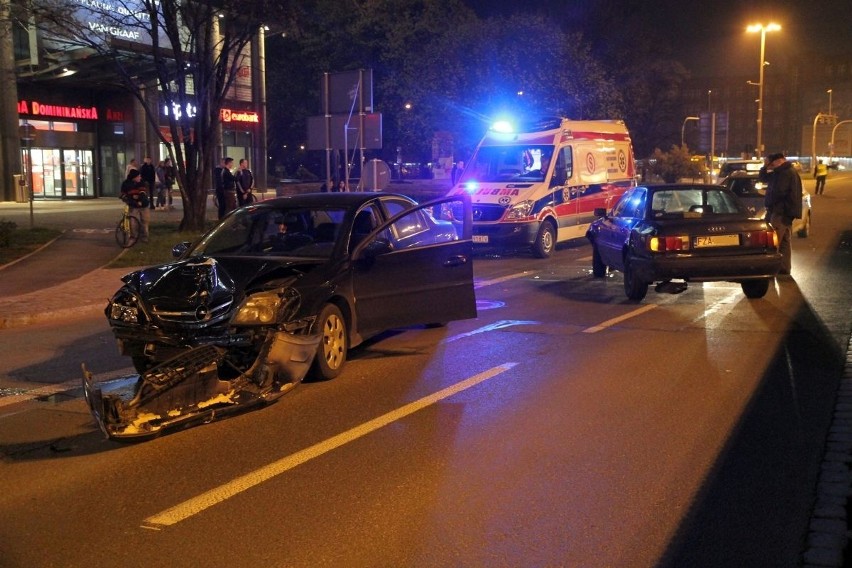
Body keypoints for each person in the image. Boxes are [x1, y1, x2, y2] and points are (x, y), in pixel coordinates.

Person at [759, 151, 803, 276]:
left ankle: (771, 270)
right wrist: (765, 166)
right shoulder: (784, 171)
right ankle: (784, 268)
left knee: (773, 241)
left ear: (778, 162)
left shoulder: (785, 173)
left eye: (772, 164)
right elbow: (763, 178)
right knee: (784, 241)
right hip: (786, 212)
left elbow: (779, 192)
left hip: (780, 212)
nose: (771, 167)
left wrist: (770, 203)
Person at [120, 169, 150, 242]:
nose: (140, 177)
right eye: (138, 176)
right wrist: (128, 199)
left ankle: (144, 237)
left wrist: (139, 200)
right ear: (134, 177)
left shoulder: (141, 183)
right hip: (133, 206)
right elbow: (122, 194)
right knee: (132, 222)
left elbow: (143, 193)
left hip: (143, 205)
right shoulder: (126, 184)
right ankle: (133, 237)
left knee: (145, 221)